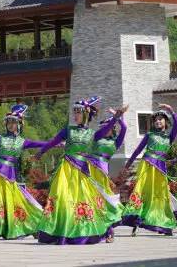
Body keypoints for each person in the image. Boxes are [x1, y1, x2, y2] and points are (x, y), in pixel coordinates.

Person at [35, 96, 119, 245]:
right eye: (74, 113)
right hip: (66, 170)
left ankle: (98, 230)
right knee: (61, 197)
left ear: (86, 114)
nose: (75, 116)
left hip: (82, 171)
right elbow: (53, 141)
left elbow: (106, 129)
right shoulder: (68, 130)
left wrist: (117, 117)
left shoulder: (93, 134)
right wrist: (41, 152)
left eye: (78, 113)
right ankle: (59, 231)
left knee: (85, 199)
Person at [0, 104, 46, 240]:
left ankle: (13, 227)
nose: (10, 125)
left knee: (12, 201)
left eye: (14, 122)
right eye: (8, 122)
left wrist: (56, 143)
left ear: (20, 124)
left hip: (10, 174)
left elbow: (40, 143)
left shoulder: (22, 142)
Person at [121, 104, 177, 236]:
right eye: (156, 120)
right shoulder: (149, 135)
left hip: (160, 167)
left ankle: (163, 223)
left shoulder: (168, 137)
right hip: (147, 165)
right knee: (142, 191)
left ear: (166, 121)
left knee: (161, 194)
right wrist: (128, 164)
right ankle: (136, 220)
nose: (158, 121)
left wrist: (171, 111)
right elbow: (138, 150)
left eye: (161, 119)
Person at [86, 105, 128, 242]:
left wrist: (118, 116)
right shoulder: (97, 137)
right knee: (90, 199)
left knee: (105, 201)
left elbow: (125, 128)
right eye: (104, 127)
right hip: (90, 170)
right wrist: (115, 117)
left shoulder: (116, 142)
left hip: (103, 172)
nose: (106, 129)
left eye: (109, 127)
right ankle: (90, 229)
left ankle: (109, 230)